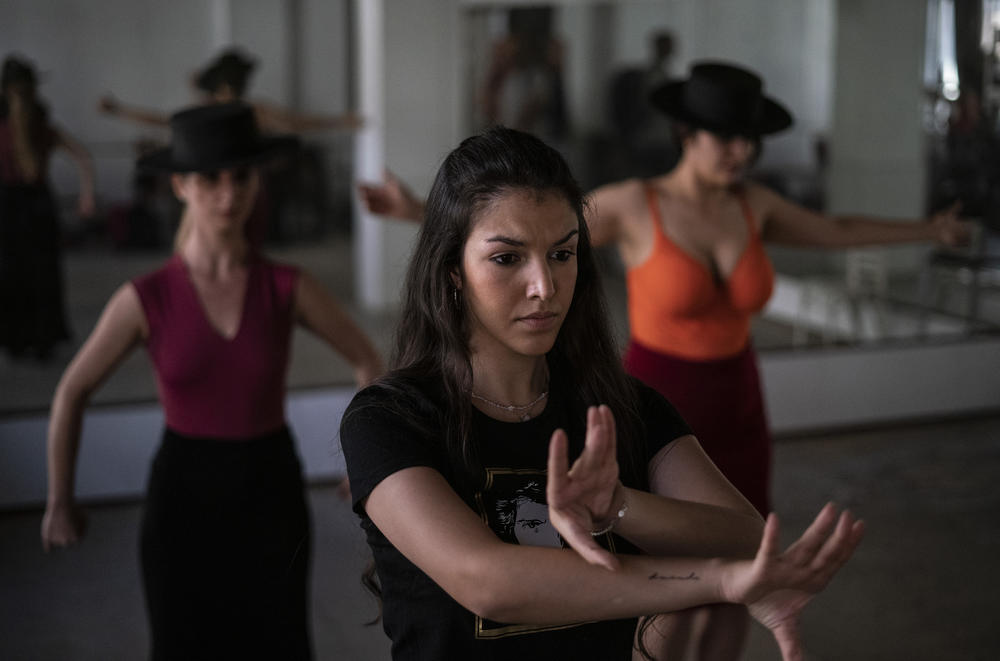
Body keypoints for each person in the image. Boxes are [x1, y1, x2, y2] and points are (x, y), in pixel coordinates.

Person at [358, 61, 966, 658]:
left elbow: (745, 536)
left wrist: (618, 504)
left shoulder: (626, 408)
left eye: (564, 255)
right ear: (451, 272)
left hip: (734, 390)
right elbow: (489, 585)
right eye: (507, 260)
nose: (545, 287)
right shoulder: (389, 420)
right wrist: (718, 581)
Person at [40, 102, 384, 660]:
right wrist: (59, 498)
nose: (228, 194)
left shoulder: (285, 286)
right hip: (183, 498)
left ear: (257, 180)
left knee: (279, 645)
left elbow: (368, 360)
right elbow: (72, 390)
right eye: (209, 179)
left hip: (270, 491)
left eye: (240, 176)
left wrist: (361, 459)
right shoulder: (146, 297)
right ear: (179, 185)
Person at [0, 54, 95, 360]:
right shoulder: (19, 125)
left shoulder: (39, 125)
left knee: (37, 272)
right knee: (17, 272)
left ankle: (35, 338)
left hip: (30, 204)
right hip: (14, 204)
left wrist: (87, 195)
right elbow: (80, 156)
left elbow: (79, 156)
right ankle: (24, 338)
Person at [98, 47, 362, 134]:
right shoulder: (248, 109)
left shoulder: (244, 109)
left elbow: (294, 123)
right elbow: (294, 123)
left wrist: (119, 110)